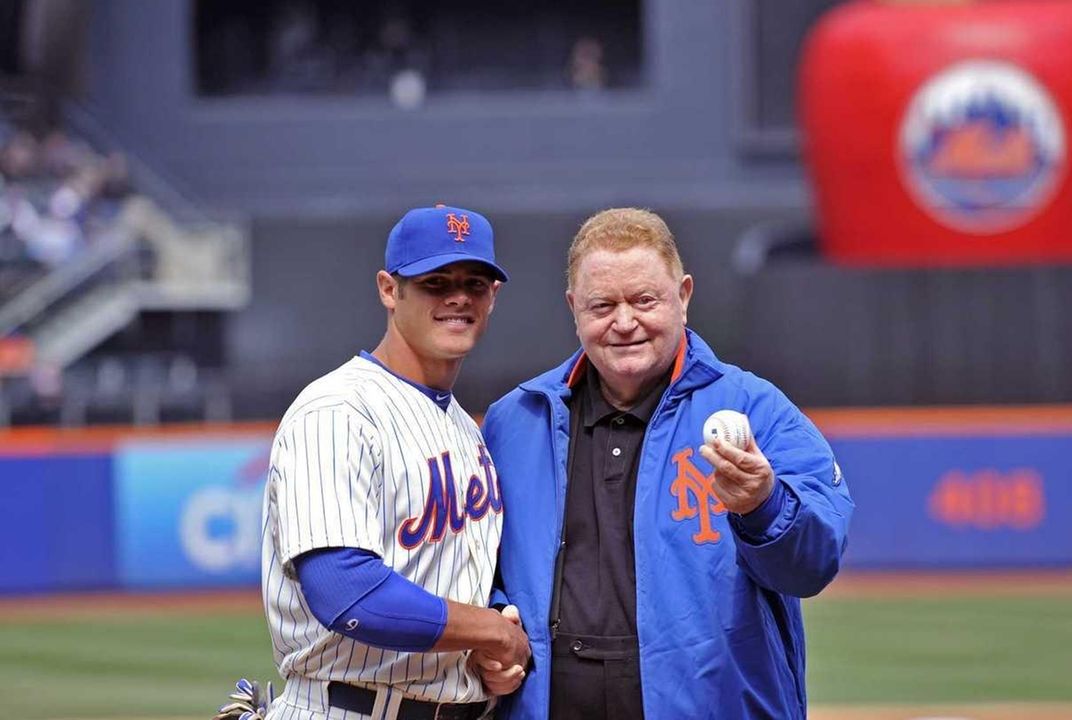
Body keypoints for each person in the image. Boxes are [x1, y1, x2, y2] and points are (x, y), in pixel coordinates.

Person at [478, 208, 854, 719]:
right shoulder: (516, 421)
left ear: (684, 296)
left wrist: (763, 507)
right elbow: (476, 566)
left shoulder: (755, 408)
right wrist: (497, 624)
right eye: (602, 305)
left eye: (644, 300)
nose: (625, 322)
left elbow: (814, 563)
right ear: (573, 308)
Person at [230, 205, 531, 720]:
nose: (459, 296)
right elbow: (348, 593)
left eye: (475, 283)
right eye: (436, 281)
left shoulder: (465, 428)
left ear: (493, 297)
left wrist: (491, 645)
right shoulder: (338, 410)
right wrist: (490, 631)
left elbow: (459, 576)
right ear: (390, 290)